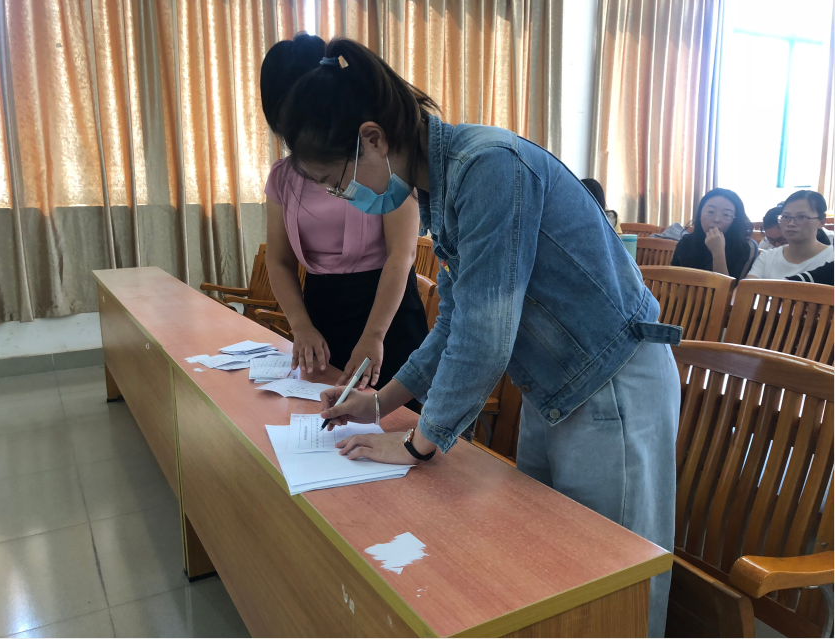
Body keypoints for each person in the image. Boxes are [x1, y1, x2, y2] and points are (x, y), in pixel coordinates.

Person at [271, 37, 681, 637]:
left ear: (372, 139)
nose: (342, 197)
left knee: (613, 578)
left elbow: (485, 335)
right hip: (555, 384)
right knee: (552, 562)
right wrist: (382, 403)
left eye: (336, 181)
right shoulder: (441, 186)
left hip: (612, 384)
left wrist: (419, 444)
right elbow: (457, 320)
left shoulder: (488, 167)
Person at [259, 33, 428, 395]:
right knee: (320, 414)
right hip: (321, 311)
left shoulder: (381, 159)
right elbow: (279, 259)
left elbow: (402, 254)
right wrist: (300, 325)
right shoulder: (283, 177)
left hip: (386, 311)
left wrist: (374, 335)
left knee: (392, 417)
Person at [670, 188, 757, 278]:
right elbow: (672, 280)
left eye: (726, 214)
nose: (716, 220)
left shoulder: (746, 247)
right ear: (700, 214)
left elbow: (729, 287)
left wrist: (718, 252)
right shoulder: (686, 241)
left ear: (735, 221)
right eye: (710, 212)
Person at [747, 190, 834, 280]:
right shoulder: (767, 257)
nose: (791, 223)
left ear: (822, 221)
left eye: (801, 217)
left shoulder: (831, 258)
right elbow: (748, 287)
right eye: (786, 217)